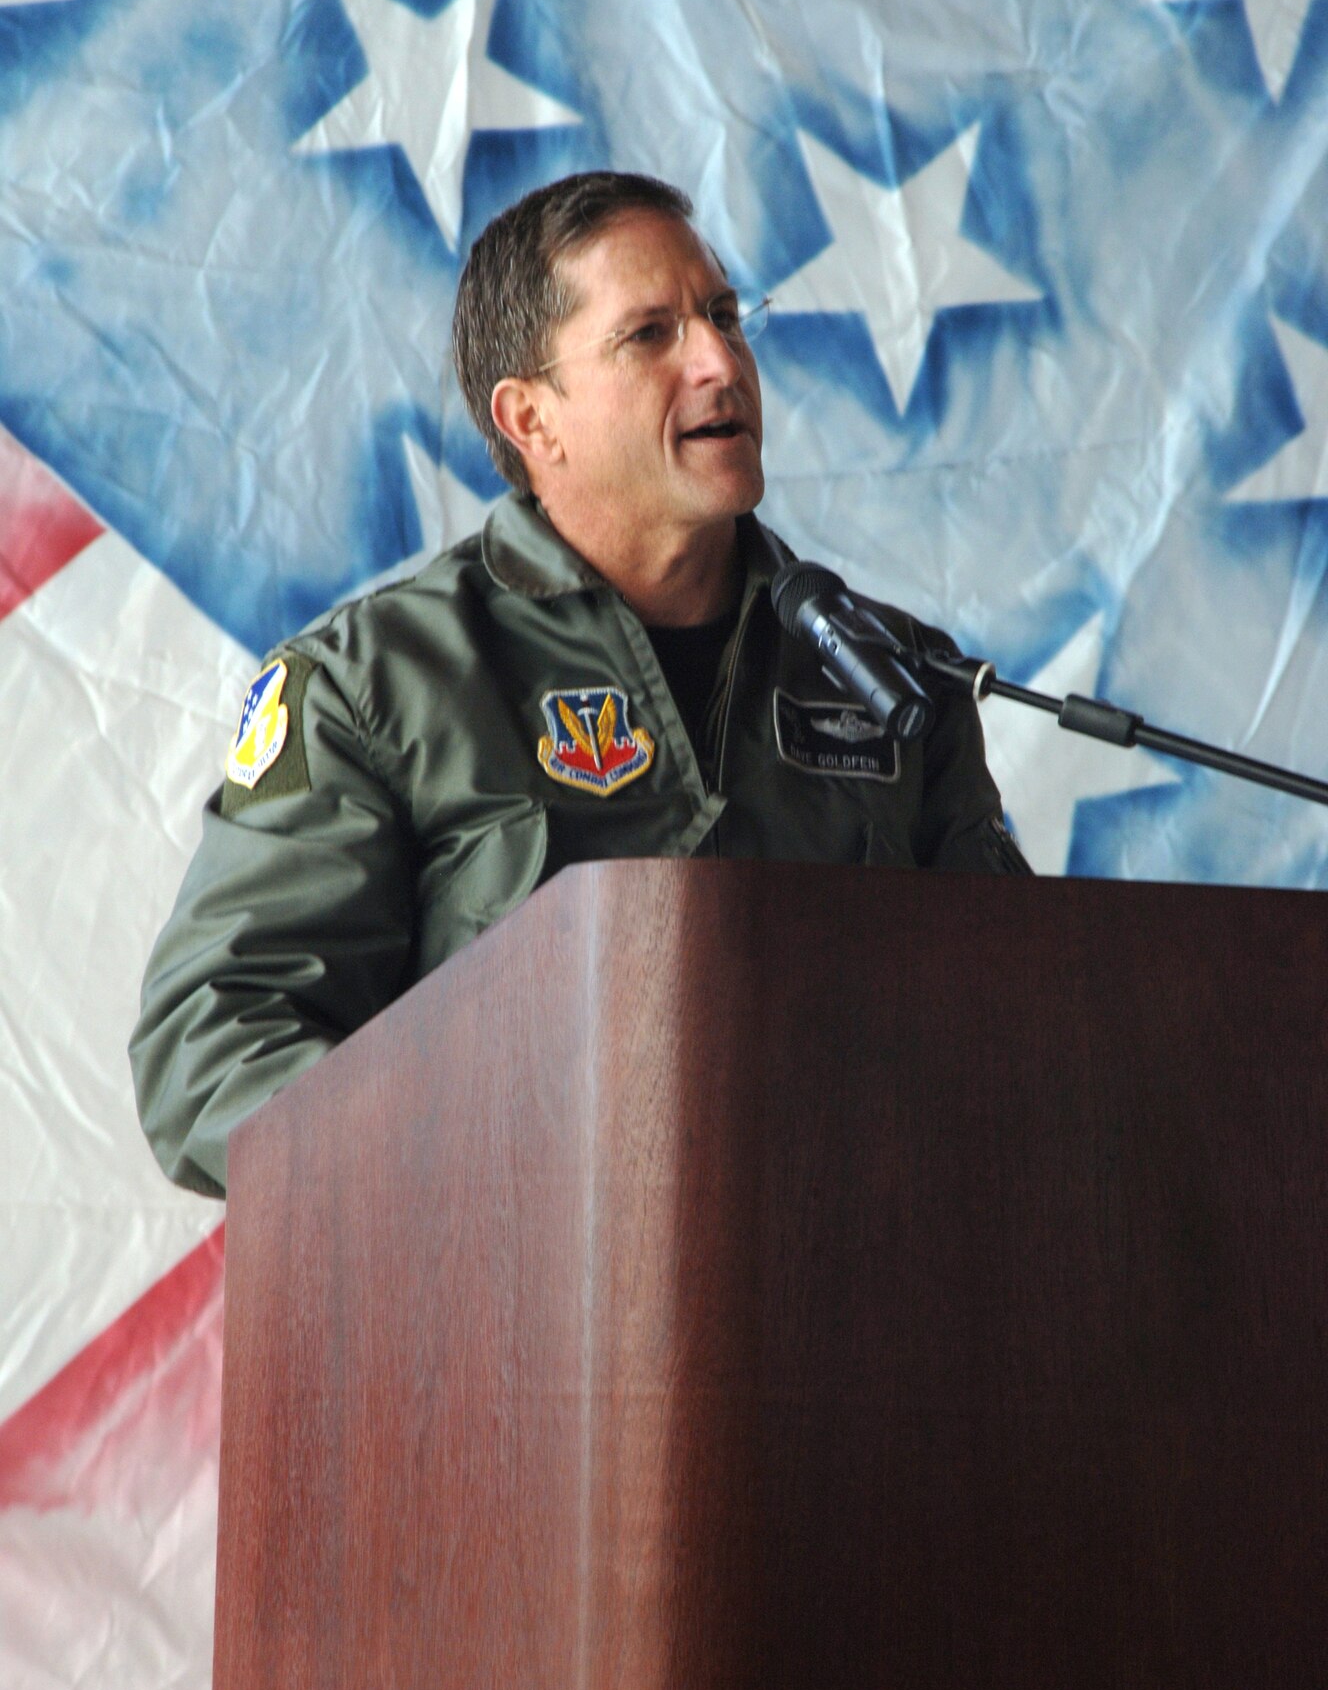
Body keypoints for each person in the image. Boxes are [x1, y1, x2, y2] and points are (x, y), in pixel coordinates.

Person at [130, 170, 1028, 1197]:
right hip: (510, 1314)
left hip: (845, 1301)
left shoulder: (883, 672)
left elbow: (1021, 1018)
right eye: (649, 334)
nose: (717, 361)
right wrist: (473, 1168)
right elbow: (214, 1041)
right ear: (530, 418)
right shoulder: (377, 680)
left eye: (724, 316)